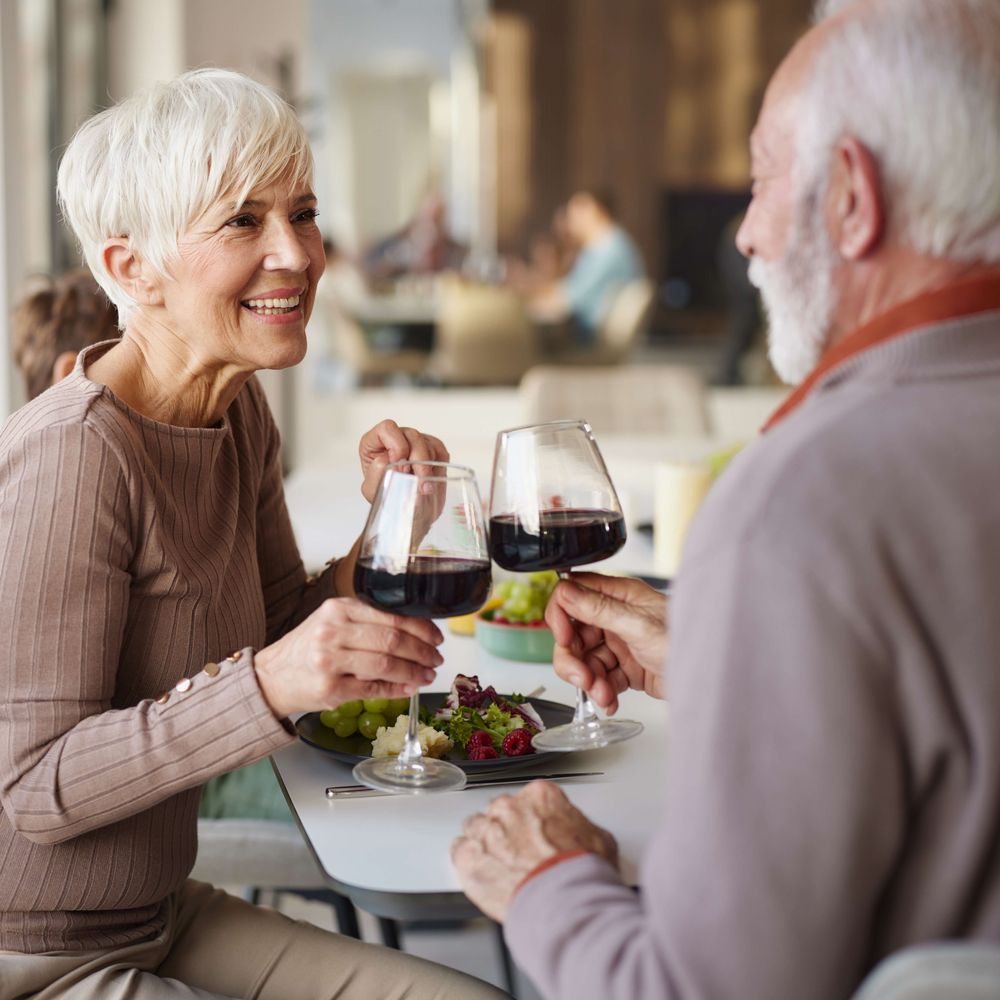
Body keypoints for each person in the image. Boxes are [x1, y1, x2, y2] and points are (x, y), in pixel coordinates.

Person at [452, 0, 1000, 997]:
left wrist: (546, 879)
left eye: (761, 180)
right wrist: (727, 659)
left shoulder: (802, 497)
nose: (746, 235)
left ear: (848, 197)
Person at [0, 69, 508, 1000]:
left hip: (155, 915)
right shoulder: (73, 457)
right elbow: (34, 788)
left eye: (304, 212)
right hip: (30, 949)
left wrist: (388, 533)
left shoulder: (235, 411)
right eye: (243, 221)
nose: (299, 254)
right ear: (128, 269)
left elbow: (276, 622)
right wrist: (269, 687)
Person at [524, 189, 644, 344]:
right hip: (591, 330)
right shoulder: (606, 245)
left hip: (592, 336)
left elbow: (569, 299)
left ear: (599, 212)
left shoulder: (607, 249)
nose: (571, 221)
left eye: (577, 214)